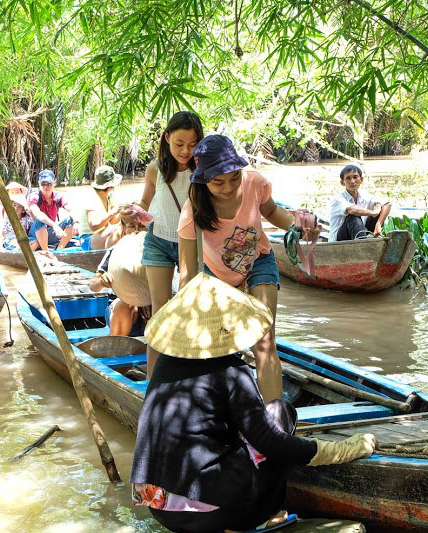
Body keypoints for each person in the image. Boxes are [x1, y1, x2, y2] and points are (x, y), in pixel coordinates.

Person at [131, 273, 377, 533]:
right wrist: (337, 451)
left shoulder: (165, 364)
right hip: (214, 513)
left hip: (158, 508)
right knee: (281, 413)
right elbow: (269, 440)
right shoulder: (233, 372)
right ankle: (259, 515)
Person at [178, 135, 320, 405]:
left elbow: (274, 212)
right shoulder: (192, 212)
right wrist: (186, 313)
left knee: (264, 340)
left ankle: (275, 419)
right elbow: (187, 272)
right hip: (217, 278)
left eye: (234, 178)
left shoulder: (254, 182)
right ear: (202, 180)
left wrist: (298, 226)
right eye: (218, 182)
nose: (229, 187)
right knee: (219, 347)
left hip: (258, 261)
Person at [120, 111, 204, 376]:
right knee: (159, 312)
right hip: (158, 240)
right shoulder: (155, 168)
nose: (185, 151)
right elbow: (147, 202)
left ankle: (189, 374)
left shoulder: (202, 169)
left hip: (191, 245)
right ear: (167, 137)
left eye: (192, 145)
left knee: (191, 308)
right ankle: (154, 381)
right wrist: (133, 213)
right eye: (179, 144)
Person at [89, 227, 151, 336]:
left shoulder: (157, 250)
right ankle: (118, 347)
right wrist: (101, 282)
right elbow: (93, 285)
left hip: (149, 307)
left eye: (141, 226)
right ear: (124, 228)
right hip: (121, 311)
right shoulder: (116, 250)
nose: (136, 229)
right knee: (124, 305)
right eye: (131, 225)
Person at [328, 164, 392, 242]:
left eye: (355, 177)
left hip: (358, 234)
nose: (352, 181)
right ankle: (364, 246)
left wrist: (378, 223)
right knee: (353, 216)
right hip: (339, 240)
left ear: (361, 179)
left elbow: (387, 204)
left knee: (379, 211)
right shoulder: (338, 198)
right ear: (342, 182)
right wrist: (373, 212)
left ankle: (368, 240)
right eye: (348, 178)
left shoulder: (364, 195)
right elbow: (352, 210)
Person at [27, 169, 77, 251]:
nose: (46, 187)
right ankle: (46, 251)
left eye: (49, 184)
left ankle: (59, 250)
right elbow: (37, 213)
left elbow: (70, 209)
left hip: (51, 231)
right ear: (39, 184)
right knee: (40, 221)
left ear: (54, 183)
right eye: (43, 184)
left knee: (70, 220)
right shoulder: (34, 196)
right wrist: (54, 225)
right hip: (36, 233)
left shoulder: (59, 196)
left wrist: (76, 222)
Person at [80, 165, 124, 250]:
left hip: (101, 236)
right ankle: (109, 258)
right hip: (88, 239)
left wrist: (123, 211)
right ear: (110, 186)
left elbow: (113, 221)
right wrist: (112, 212)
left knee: (125, 226)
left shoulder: (109, 196)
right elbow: (94, 226)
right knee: (117, 230)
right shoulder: (91, 197)